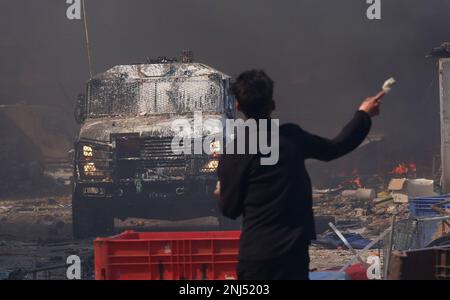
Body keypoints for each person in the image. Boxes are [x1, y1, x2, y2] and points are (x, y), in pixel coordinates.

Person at [215, 70, 382, 280]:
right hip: (292, 255)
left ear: (238, 107)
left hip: (256, 258)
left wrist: (223, 191)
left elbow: (230, 210)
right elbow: (336, 147)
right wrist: (363, 115)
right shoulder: (292, 137)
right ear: (272, 104)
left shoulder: (234, 151)